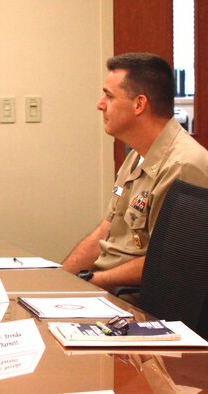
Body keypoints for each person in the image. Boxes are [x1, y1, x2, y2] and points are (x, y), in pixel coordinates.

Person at [62, 53, 208, 292]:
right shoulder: (136, 154)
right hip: (105, 286)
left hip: (135, 300)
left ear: (139, 104)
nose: (100, 104)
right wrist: (61, 280)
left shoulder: (183, 165)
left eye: (109, 96)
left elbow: (171, 260)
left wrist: (91, 282)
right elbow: (106, 229)